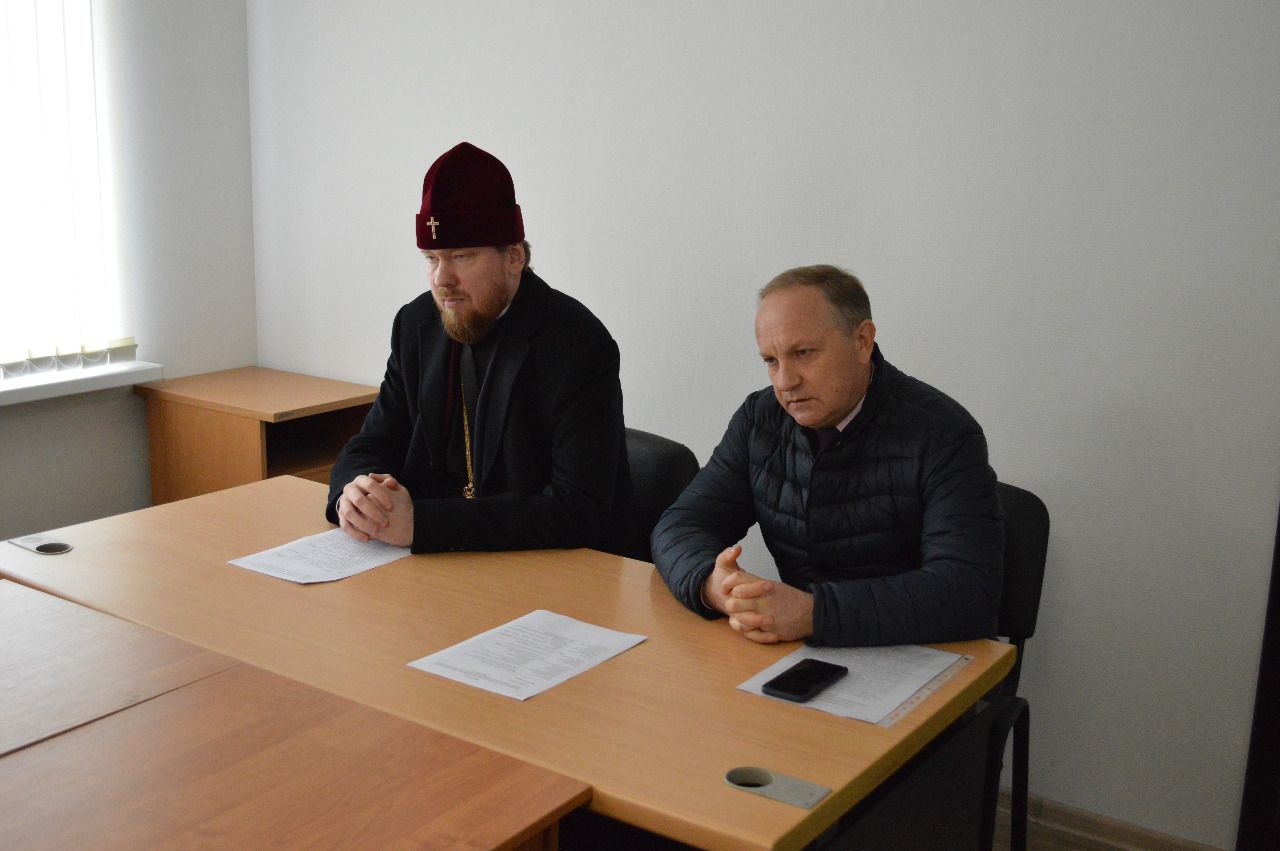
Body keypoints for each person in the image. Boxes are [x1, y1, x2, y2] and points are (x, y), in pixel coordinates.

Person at [652, 264, 1002, 646]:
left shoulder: (944, 433)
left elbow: (967, 591)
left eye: (803, 353)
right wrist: (714, 585)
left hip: (918, 654)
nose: (785, 381)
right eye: (771, 360)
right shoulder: (760, 419)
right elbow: (680, 524)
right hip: (800, 652)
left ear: (862, 342)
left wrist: (813, 613)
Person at [327, 142, 630, 554]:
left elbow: (577, 511)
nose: (441, 279)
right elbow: (371, 444)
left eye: (461, 256)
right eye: (431, 259)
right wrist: (355, 496)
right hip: (433, 568)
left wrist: (423, 525)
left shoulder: (577, 344)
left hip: (548, 573)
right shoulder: (415, 325)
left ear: (514, 257)